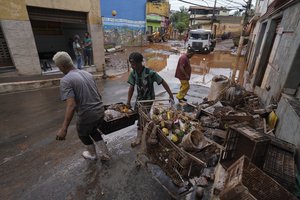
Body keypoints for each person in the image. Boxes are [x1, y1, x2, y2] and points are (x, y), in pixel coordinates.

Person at [53, 51, 110, 161]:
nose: (59, 69)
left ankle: (92, 154)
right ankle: (105, 153)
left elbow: (71, 105)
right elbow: (98, 95)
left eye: (58, 67)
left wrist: (64, 129)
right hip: (100, 110)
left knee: (82, 133)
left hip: (87, 115)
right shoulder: (87, 74)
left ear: (62, 66)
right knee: (93, 130)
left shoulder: (66, 80)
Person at [126, 52, 174, 147]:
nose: (132, 66)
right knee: (137, 115)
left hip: (148, 99)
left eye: (134, 63)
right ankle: (147, 127)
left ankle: (139, 138)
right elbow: (131, 87)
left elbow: (162, 82)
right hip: (139, 99)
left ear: (141, 62)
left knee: (141, 117)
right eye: (131, 64)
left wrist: (170, 95)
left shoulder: (150, 73)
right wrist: (128, 101)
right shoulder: (133, 73)